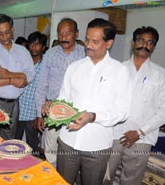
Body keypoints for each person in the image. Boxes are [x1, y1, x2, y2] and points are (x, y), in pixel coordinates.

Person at [55, 18, 132, 185]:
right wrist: (54, 108)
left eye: (95, 41)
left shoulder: (120, 72)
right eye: (87, 39)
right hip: (68, 141)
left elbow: (123, 111)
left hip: (97, 147)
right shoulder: (74, 68)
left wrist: (93, 116)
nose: (88, 45)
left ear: (109, 43)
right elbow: (63, 98)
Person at [103, 26, 165, 185]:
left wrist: (140, 132)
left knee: (131, 181)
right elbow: (106, 100)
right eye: (141, 40)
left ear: (153, 47)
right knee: (104, 176)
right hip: (113, 134)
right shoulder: (118, 69)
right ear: (133, 43)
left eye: (150, 42)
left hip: (142, 138)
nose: (145, 45)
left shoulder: (162, 75)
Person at [35, 18, 85, 167]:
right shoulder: (50, 54)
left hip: (77, 111)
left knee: (72, 149)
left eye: (68, 33)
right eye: (60, 33)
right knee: (50, 149)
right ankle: (54, 178)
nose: (63, 37)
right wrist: (39, 113)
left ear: (76, 34)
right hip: (53, 110)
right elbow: (42, 84)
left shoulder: (85, 54)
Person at [0, 14, 35, 140]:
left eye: (7, 32)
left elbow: (30, 75)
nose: (4, 37)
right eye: (0, 34)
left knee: (8, 141)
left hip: (13, 104)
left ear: (12, 30)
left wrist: (10, 74)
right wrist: (12, 81)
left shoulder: (22, 51)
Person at [15, 31, 47, 155]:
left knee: (32, 144)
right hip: (18, 108)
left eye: (38, 44)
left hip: (33, 111)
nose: (34, 47)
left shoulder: (45, 65)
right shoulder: (23, 62)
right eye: (32, 44)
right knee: (14, 143)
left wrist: (40, 115)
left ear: (43, 47)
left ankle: (33, 168)